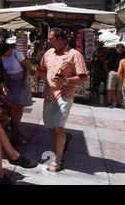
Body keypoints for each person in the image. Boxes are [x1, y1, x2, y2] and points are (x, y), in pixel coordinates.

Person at [36, 27, 87, 172]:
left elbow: (83, 77)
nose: (48, 41)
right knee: (49, 125)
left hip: (65, 93)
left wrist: (66, 80)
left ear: (60, 39)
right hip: (49, 93)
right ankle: (65, 138)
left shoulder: (74, 54)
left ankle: (57, 160)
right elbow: (44, 70)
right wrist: (36, 72)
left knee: (58, 126)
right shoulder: (48, 53)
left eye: (50, 39)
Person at [0, 43, 32, 145]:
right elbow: (4, 70)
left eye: (5, 53)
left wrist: (24, 80)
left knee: (17, 106)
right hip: (11, 82)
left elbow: (27, 67)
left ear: (8, 50)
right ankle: (16, 131)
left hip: (21, 81)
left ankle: (16, 130)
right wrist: (6, 81)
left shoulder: (17, 54)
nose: (4, 55)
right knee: (14, 105)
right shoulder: (3, 57)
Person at [0, 67, 23, 144]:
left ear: (0, 75)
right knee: (12, 110)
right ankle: (16, 132)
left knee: (15, 108)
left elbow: (4, 96)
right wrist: (14, 106)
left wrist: (14, 105)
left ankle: (16, 133)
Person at [103, 43, 125, 108]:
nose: (120, 51)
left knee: (119, 89)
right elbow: (105, 62)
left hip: (121, 73)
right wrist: (107, 71)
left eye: (121, 50)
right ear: (116, 48)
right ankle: (109, 102)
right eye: (119, 50)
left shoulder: (124, 55)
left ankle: (118, 103)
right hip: (113, 71)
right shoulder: (111, 54)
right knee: (110, 88)